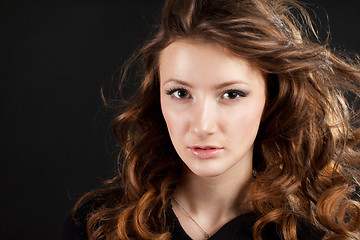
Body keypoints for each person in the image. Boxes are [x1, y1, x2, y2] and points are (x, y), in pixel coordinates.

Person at [60, 0, 360, 239]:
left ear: (271, 98)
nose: (202, 125)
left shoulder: (309, 234)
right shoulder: (98, 224)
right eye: (180, 93)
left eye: (231, 94)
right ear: (157, 98)